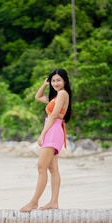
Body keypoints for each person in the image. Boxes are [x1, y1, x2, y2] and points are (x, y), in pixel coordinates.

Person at [20, 68, 72, 212]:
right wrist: (45, 84)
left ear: (65, 81)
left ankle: (33, 202)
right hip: (54, 130)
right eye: (53, 80)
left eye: (58, 80)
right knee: (52, 168)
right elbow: (38, 96)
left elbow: (54, 116)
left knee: (41, 167)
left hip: (53, 131)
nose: (55, 83)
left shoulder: (62, 94)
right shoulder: (55, 97)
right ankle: (53, 202)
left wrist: (42, 134)